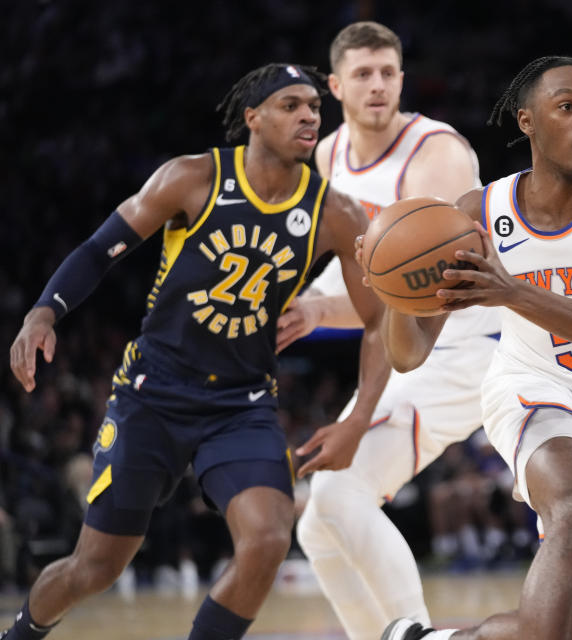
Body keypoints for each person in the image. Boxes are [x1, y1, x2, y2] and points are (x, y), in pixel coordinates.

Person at [3, 62, 387, 640]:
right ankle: (22, 633)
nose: (310, 115)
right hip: (151, 396)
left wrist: (357, 419)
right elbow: (98, 250)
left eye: (314, 106)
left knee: (266, 540)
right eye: (291, 105)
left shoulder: (337, 213)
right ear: (253, 119)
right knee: (96, 567)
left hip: (242, 404)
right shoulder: (192, 178)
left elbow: (380, 320)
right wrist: (44, 311)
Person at [376, 55, 572, 640]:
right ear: (528, 121)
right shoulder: (477, 215)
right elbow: (408, 354)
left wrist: (511, 291)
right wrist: (388, 285)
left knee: (570, 634)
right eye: (567, 108)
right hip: (532, 389)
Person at [273, 22, 500, 640]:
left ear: (402, 78)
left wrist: (329, 319)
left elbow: (422, 298)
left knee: (343, 491)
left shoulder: (437, 155)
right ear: (336, 85)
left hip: (469, 343)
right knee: (319, 523)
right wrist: (312, 309)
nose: (378, 86)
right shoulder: (327, 156)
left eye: (388, 73)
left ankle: (417, 634)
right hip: (415, 349)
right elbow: (363, 282)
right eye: (364, 74)